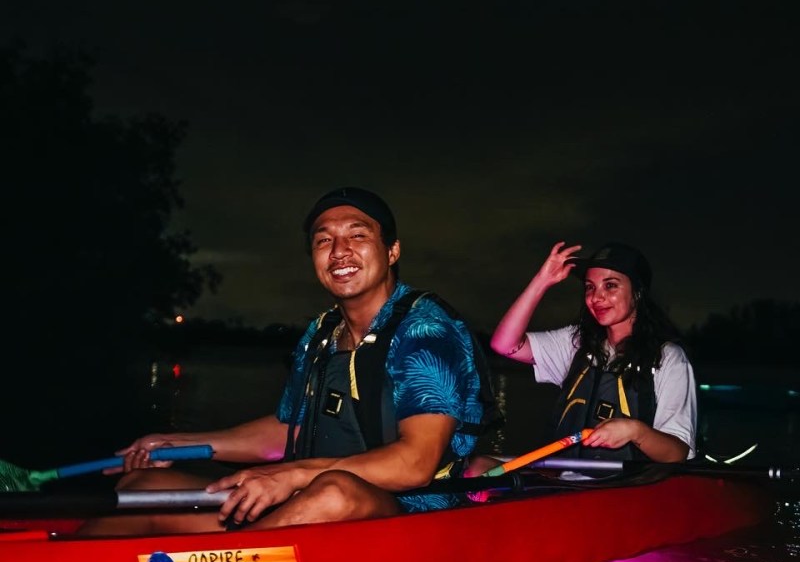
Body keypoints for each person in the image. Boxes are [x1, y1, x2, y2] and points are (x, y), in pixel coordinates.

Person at [78, 186, 499, 535]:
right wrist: (175, 444)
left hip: (411, 518)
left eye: (357, 235)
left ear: (391, 252)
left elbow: (415, 463)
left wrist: (295, 476)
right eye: (323, 240)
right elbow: (287, 432)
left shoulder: (426, 330)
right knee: (143, 484)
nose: (339, 251)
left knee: (335, 491)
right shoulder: (321, 333)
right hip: (307, 505)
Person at [490, 241, 696, 466]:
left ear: (637, 293)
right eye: (590, 287)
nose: (596, 297)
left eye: (610, 286)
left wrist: (636, 431)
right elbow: (504, 344)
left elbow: (677, 453)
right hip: (562, 483)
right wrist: (542, 281)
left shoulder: (669, 358)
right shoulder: (576, 344)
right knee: (478, 466)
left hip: (626, 489)